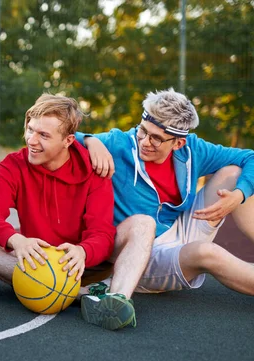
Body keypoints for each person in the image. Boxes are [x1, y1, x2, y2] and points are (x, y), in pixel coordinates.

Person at [75, 88, 254, 330]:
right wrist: (89, 139)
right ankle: (119, 286)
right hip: (141, 251)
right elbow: (61, 139)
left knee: (233, 173)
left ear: (179, 142)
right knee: (208, 253)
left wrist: (238, 195)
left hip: (179, 230)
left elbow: (250, 157)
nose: (144, 142)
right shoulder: (119, 144)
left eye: (156, 138)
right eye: (143, 131)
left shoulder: (193, 150)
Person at [0, 94, 119, 321]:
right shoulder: (13, 165)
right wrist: (15, 239)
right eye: (30, 130)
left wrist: (83, 251)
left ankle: (86, 291)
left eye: (43, 135)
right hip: (37, 262)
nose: (31, 140)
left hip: (79, 266)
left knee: (137, 225)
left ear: (68, 141)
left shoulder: (94, 170)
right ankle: (77, 295)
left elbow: (102, 233)